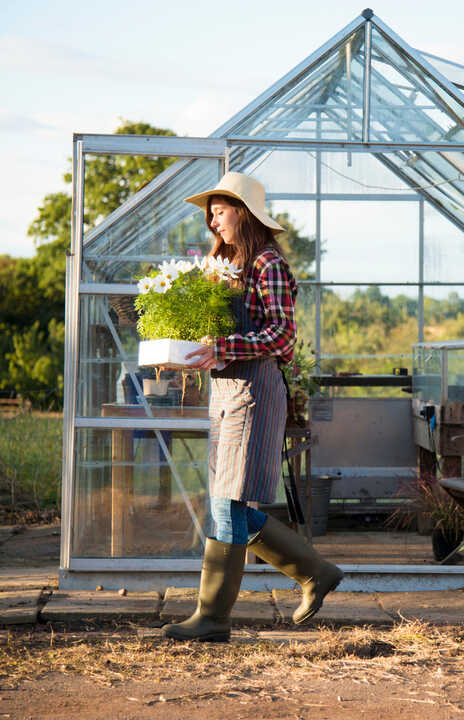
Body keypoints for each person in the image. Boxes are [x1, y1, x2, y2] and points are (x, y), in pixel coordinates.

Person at [162, 172, 343, 642]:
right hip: (226, 392)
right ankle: (315, 572)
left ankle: (213, 618)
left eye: (220, 210)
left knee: (227, 503)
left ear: (243, 212)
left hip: (254, 392)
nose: (212, 220)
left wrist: (223, 346)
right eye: (211, 212)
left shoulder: (267, 265)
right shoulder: (225, 268)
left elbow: (282, 335)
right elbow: (218, 337)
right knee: (229, 503)